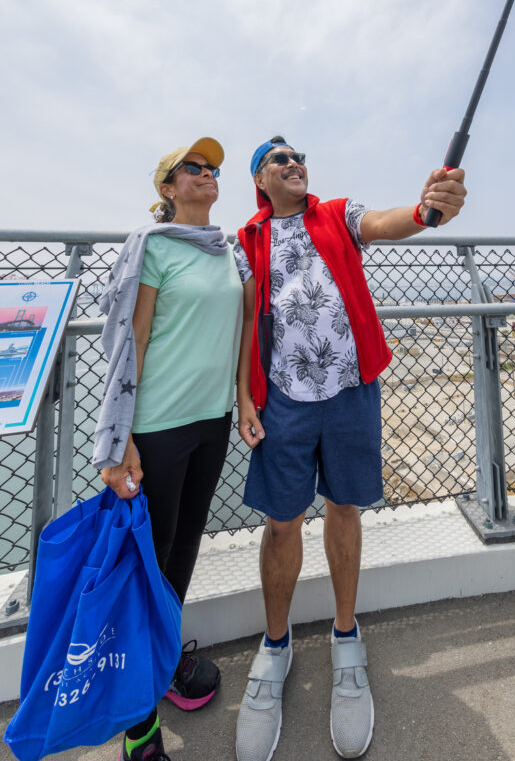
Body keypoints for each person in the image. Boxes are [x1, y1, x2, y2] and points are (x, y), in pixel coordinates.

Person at [232, 136, 467, 760]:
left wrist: (426, 211)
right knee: (282, 525)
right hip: (281, 398)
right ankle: (275, 648)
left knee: (345, 509)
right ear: (260, 179)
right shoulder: (247, 241)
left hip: (350, 389)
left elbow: (385, 223)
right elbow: (244, 322)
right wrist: (244, 396)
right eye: (279, 160)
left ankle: (345, 639)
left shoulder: (336, 214)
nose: (294, 164)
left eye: (298, 156)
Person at [93, 137, 243, 761]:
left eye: (213, 169)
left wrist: (243, 401)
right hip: (157, 425)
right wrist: (118, 434)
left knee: (182, 546)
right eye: (194, 168)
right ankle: (136, 718)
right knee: (145, 556)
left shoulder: (227, 251)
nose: (208, 175)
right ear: (168, 187)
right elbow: (133, 343)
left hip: (214, 421)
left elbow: (237, 336)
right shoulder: (153, 248)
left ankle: (162, 654)